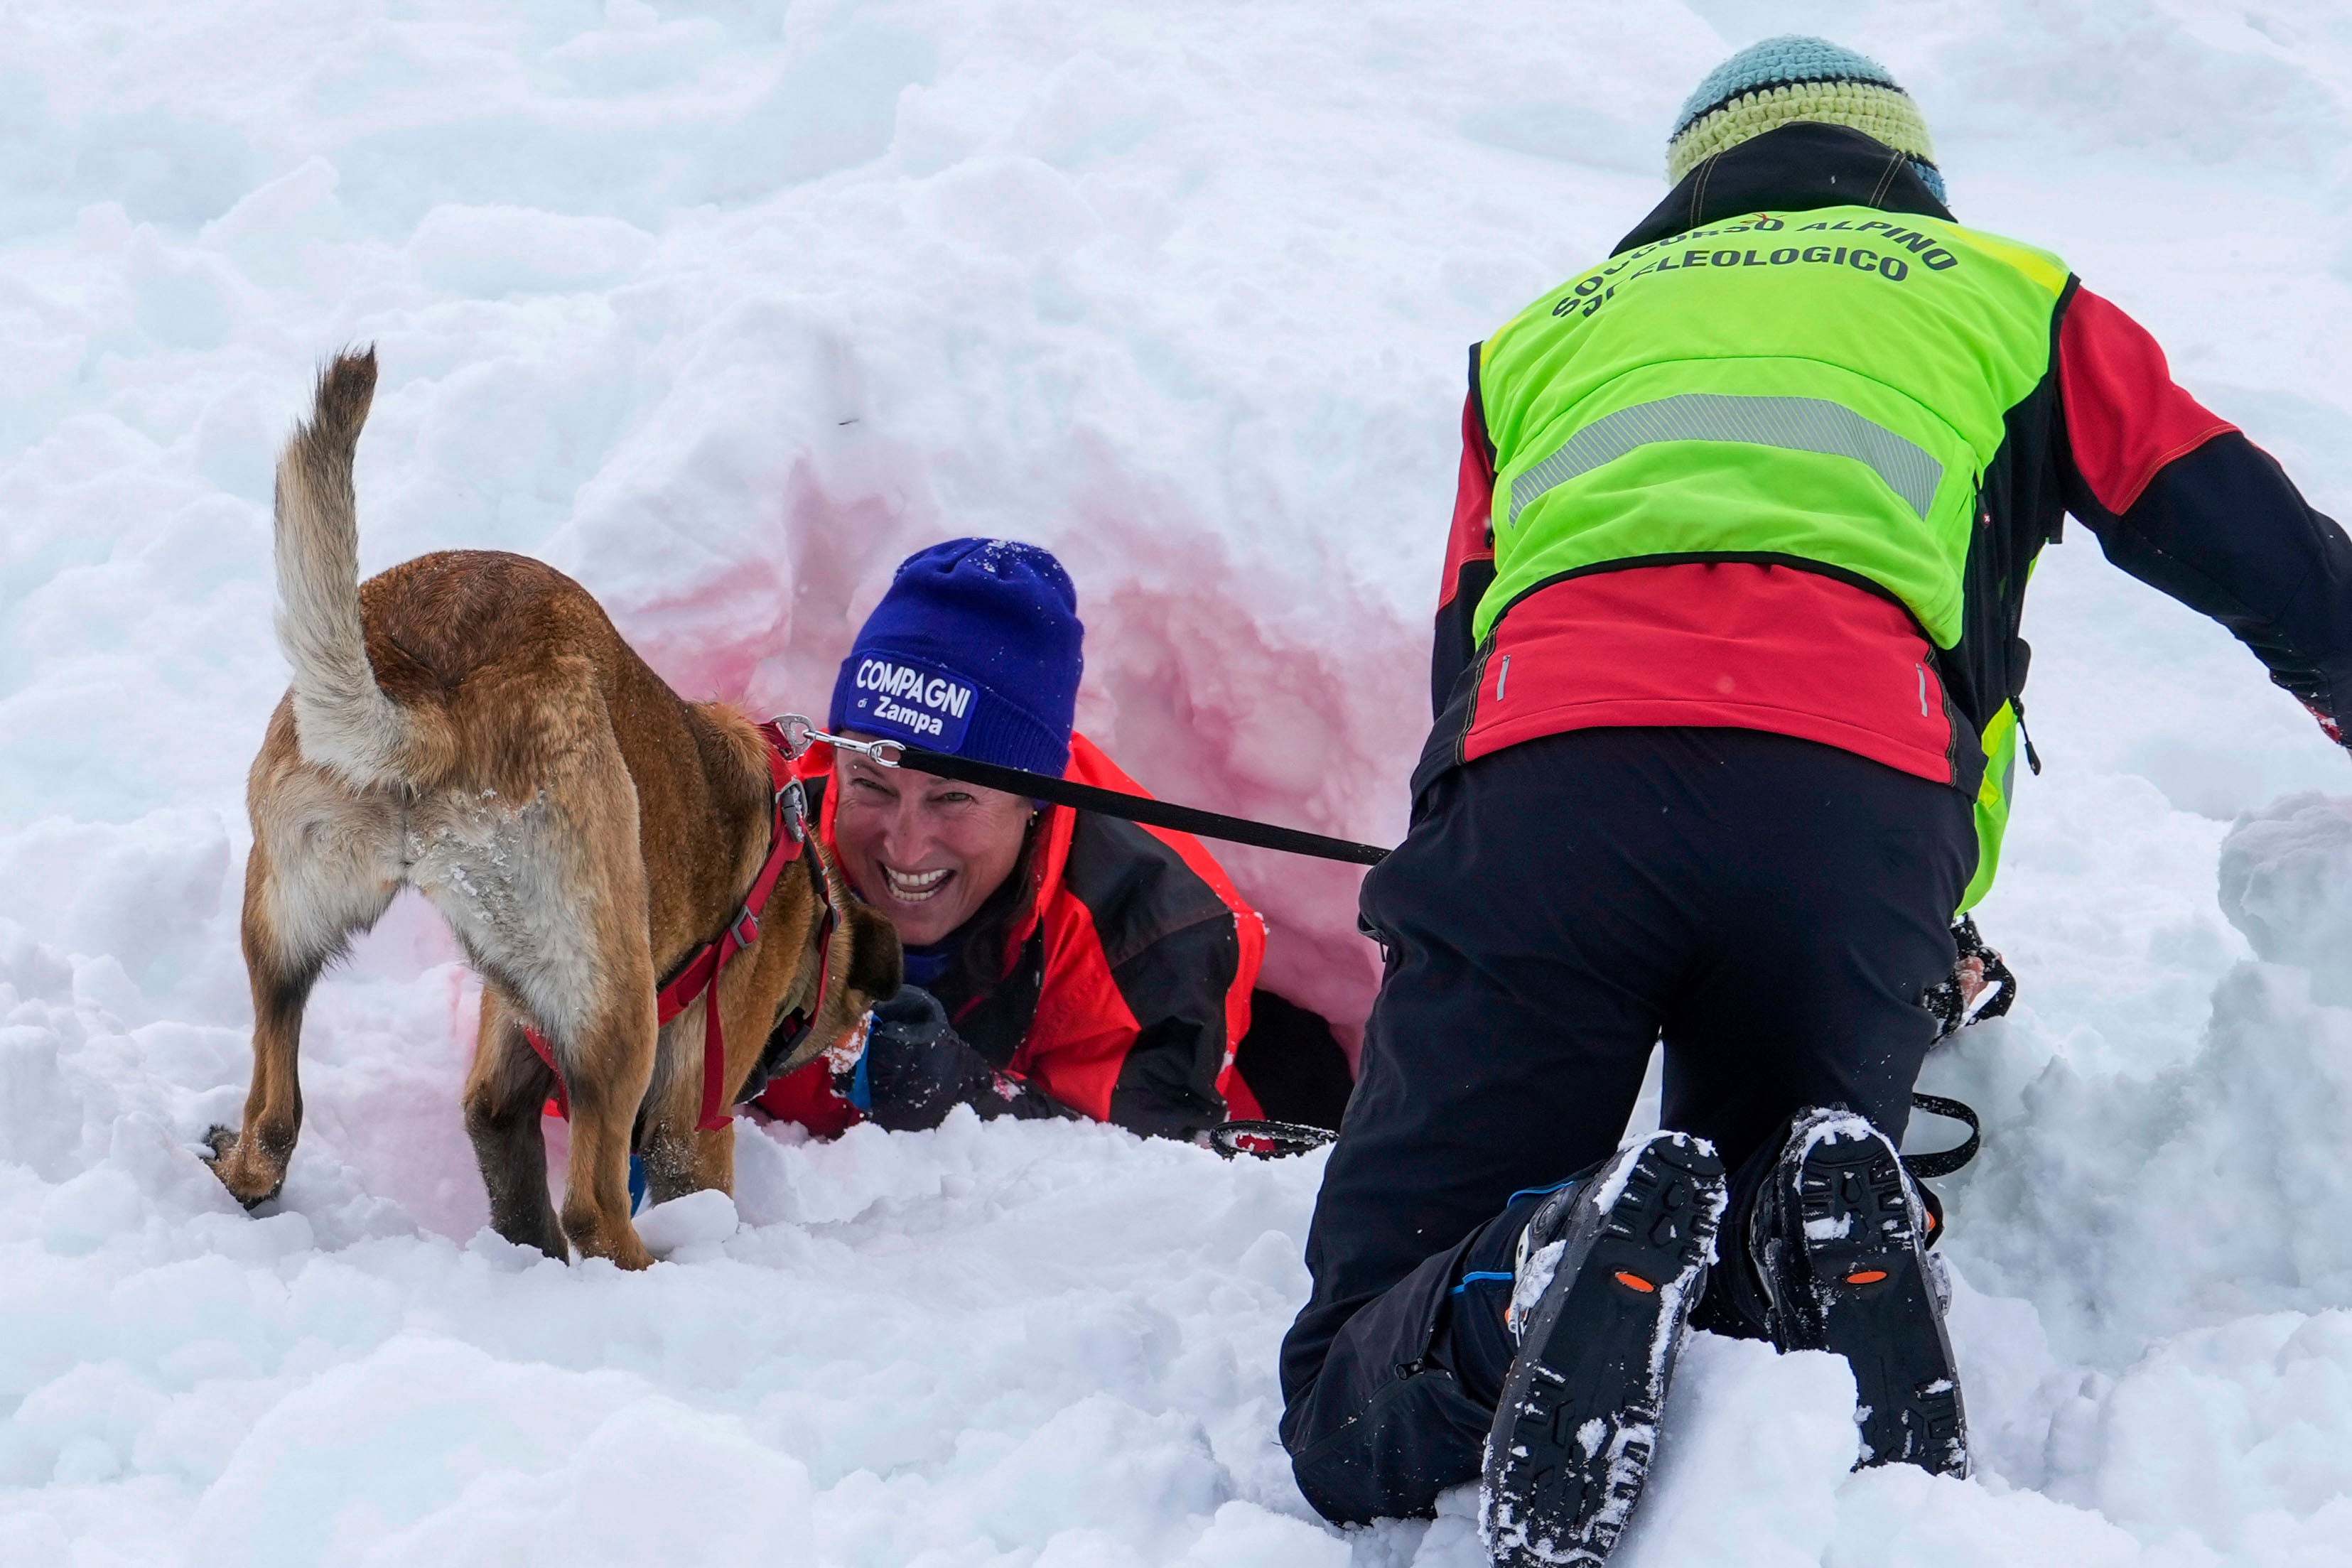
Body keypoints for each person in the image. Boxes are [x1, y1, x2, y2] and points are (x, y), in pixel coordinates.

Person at [1277, 36, 2352, 1564]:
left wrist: (1475, 900)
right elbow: (2244, 535)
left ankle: (1509, 1280)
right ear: (1907, 175)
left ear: (1687, 192)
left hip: (1547, 790)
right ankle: (1804, 1254)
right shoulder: (1999, 292)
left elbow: (1467, 660)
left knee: (1352, 1367)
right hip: (1849, 814)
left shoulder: (1535, 339)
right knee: (1760, 1201)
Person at [746, 537, 1354, 1141]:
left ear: (1034, 797)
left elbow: (1134, 1190)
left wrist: (958, 1097)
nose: (905, 847)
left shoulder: (1158, 934)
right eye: (873, 786)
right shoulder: (762, 848)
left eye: (952, 796)